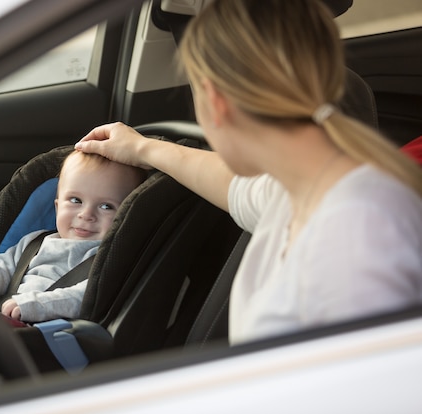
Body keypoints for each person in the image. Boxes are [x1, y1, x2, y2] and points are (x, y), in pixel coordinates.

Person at [75, 0, 422, 345]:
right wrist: (141, 148)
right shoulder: (298, 185)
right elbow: (232, 184)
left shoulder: (358, 235)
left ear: (215, 100)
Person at [0, 150, 147, 323]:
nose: (86, 215)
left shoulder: (111, 258)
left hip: (51, 335)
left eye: (106, 206)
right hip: (5, 320)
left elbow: (87, 296)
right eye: (75, 200)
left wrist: (39, 305)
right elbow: (0, 269)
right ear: (57, 207)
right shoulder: (34, 242)